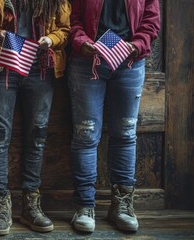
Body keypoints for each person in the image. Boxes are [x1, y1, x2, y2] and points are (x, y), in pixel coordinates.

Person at [0, 0, 71, 236]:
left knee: (38, 134)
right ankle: (1, 205)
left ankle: (31, 203)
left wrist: (50, 40)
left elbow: (65, 29)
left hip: (40, 66)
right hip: (2, 64)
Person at [68, 0, 160, 233]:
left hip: (129, 63)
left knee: (126, 133)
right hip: (87, 63)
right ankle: (85, 205)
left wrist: (136, 45)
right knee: (85, 134)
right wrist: (82, 42)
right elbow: (72, 18)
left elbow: (151, 21)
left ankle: (122, 205)